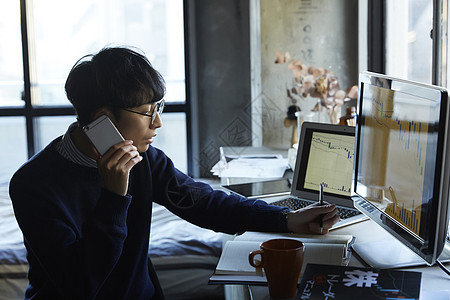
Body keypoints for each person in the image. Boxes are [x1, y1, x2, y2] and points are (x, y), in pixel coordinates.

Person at [9, 46, 339, 300]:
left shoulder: (144, 160)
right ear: (102, 119)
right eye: (147, 112)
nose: (158, 123)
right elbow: (80, 286)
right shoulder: (33, 185)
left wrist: (284, 219)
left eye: (160, 109)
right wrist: (113, 196)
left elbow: (202, 202)